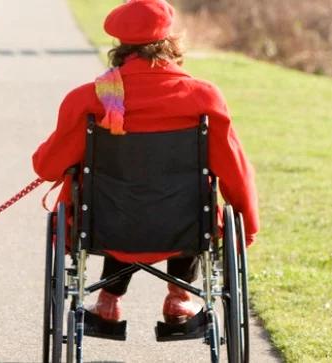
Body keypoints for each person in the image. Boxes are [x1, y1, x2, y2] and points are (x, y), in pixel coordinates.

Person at [32, 0, 259, 325]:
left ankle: (108, 299)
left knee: (114, 198)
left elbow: (47, 168)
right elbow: (234, 169)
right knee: (192, 197)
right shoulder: (203, 98)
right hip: (185, 226)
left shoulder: (87, 100)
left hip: (107, 224)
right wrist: (246, 229)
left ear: (121, 46)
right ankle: (179, 297)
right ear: (170, 44)